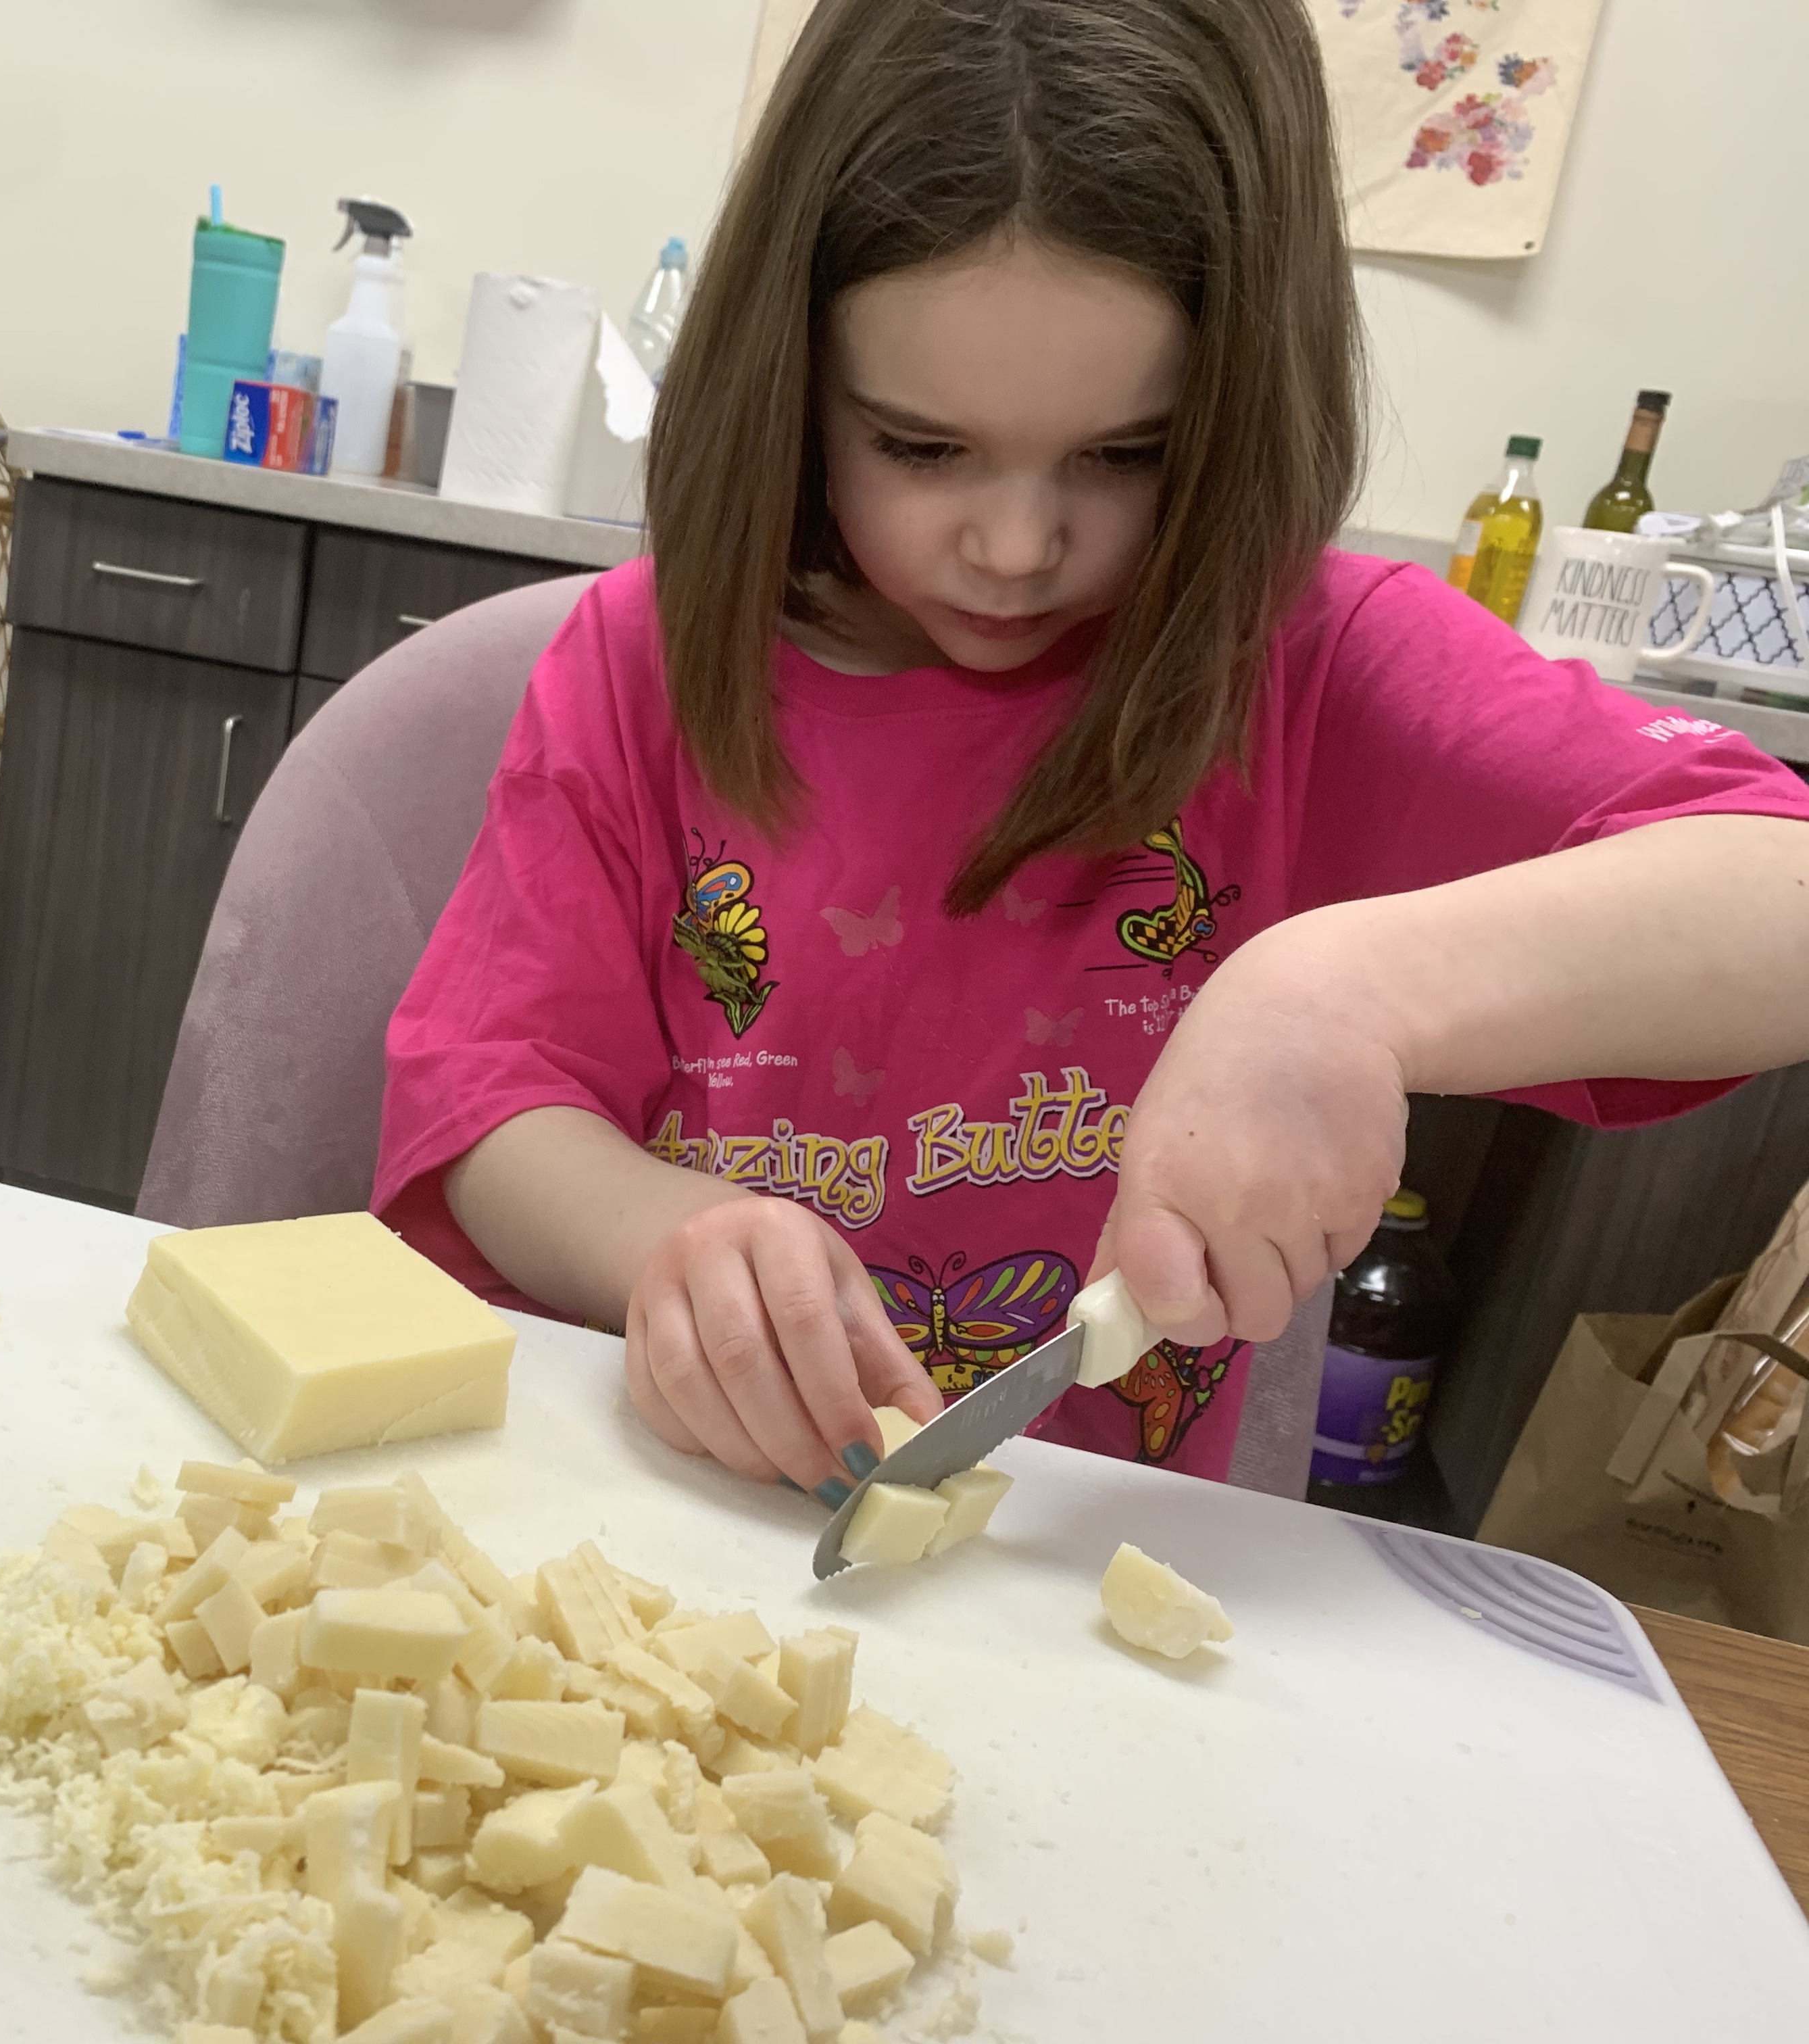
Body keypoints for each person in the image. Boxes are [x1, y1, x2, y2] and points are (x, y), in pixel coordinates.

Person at [376, 0, 1809, 1505]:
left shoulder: (1307, 664)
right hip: (668, 1509)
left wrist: (1350, 990)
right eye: (921, 449)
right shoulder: (647, 662)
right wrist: (659, 1239)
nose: (1014, 547)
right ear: (796, 389)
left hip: (1074, 1574)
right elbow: (489, 1098)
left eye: (1126, 455)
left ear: (1237, 407)